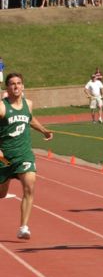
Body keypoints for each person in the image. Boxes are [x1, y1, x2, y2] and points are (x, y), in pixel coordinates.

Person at [0, 73, 54, 240]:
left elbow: (30, 119)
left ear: (23, 86)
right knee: (1, 194)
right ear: (7, 88)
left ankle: (23, 227)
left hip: (24, 155)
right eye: (12, 84)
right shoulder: (2, 107)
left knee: (30, 186)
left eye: (19, 83)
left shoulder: (28, 104)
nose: (16, 86)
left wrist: (43, 130)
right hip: (3, 158)